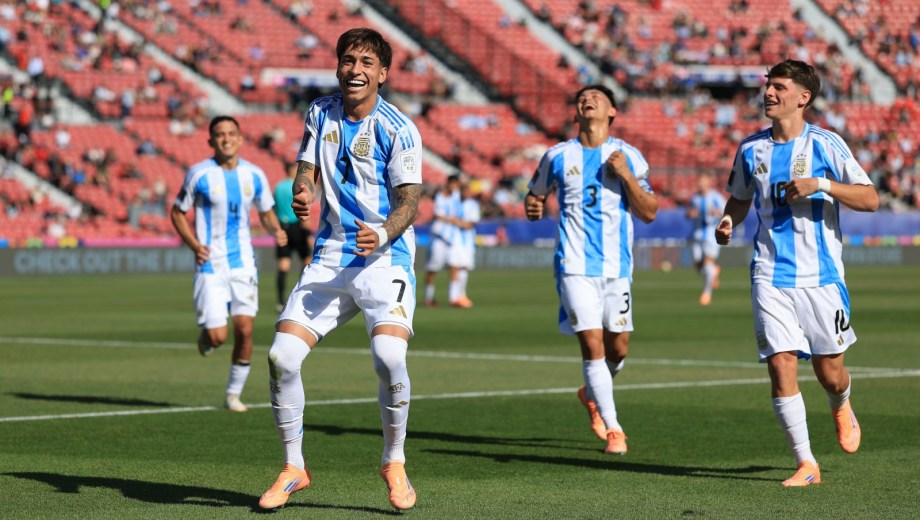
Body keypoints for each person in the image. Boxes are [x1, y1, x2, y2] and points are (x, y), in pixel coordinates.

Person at [259, 28, 422, 512]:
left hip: (384, 258)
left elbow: (409, 201)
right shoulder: (318, 112)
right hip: (331, 256)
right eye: (349, 60)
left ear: (383, 74)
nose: (356, 69)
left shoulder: (399, 128)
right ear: (337, 66)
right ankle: (294, 467)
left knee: (389, 356)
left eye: (368, 62)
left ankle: (393, 461)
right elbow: (304, 167)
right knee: (281, 357)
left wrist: (386, 232)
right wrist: (303, 190)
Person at [716, 59, 878, 487]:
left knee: (830, 372)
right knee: (781, 364)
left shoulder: (826, 144)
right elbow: (738, 198)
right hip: (769, 273)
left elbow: (870, 199)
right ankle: (806, 463)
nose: (769, 93)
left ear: (803, 97)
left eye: (779, 87)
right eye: (768, 86)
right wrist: (729, 220)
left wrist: (820, 185)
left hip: (821, 276)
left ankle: (841, 402)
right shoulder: (751, 149)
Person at [524, 84, 658, 455]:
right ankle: (615, 429)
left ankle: (591, 393)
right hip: (573, 264)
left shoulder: (627, 155)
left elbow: (649, 211)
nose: (588, 100)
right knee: (592, 343)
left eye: (598, 97)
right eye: (583, 97)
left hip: (617, 266)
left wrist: (627, 176)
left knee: (619, 346)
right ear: (576, 111)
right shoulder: (557, 156)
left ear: (612, 111)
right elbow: (534, 194)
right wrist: (532, 206)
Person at [170, 115, 287, 413]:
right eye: (220, 134)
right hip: (210, 264)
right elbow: (177, 212)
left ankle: (233, 395)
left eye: (231, 133)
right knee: (218, 337)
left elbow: (266, 211)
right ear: (211, 141)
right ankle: (206, 337)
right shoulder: (199, 174)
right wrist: (195, 245)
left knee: (245, 330)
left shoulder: (255, 175)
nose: (226, 139)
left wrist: (276, 229)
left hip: (243, 262)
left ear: (240, 139)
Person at [273, 162, 314, 312]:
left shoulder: (278, 187)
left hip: (283, 228)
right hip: (298, 226)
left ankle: (280, 301)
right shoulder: (298, 187)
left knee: (283, 265)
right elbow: (304, 211)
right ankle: (300, 298)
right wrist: (308, 234)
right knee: (306, 262)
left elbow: (273, 208)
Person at [685, 171, 725, 305]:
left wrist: (718, 213)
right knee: (698, 265)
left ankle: (706, 294)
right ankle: (713, 272)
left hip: (711, 235)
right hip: (697, 234)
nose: (701, 184)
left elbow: (727, 215)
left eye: (703, 181)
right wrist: (690, 214)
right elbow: (687, 214)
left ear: (709, 182)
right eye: (699, 181)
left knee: (707, 263)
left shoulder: (716, 197)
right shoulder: (694, 198)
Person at [422, 174, 461, 307]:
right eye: (453, 184)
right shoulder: (440, 196)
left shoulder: (456, 196)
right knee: (433, 270)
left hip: (451, 239)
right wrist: (453, 220)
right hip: (439, 238)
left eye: (456, 184)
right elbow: (438, 215)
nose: (454, 187)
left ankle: (453, 298)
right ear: (448, 183)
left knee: (454, 267)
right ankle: (428, 297)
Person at [446, 180, 480, 308]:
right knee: (454, 267)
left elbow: (471, 223)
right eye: (463, 191)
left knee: (464, 268)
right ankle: (453, 297)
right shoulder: (453, 203)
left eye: (467, 191)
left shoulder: (473, 205)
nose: (466, 193)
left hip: (467, 241)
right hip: (454, 240)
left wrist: (456, 222)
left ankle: (461, 295)